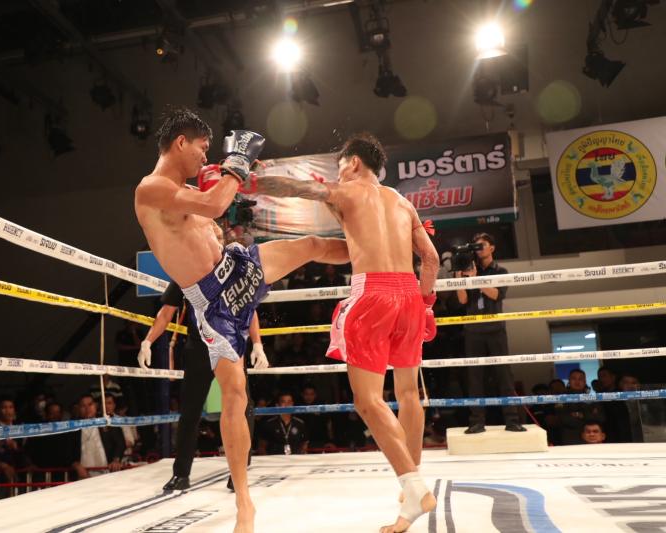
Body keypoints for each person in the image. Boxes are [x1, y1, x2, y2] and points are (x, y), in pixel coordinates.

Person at [133, 107, 349, 533]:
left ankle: (384, 256)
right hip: (213, 303)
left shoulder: (187, 191)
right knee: (234, 394)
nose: (204, 155)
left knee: (312, 245)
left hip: (235, 269)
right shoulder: (151, 188)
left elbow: (215, 215)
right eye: (202, 147)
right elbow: (214, 204)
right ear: (181, 142)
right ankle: (244, 503)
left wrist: (237, 178)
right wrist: (236, 163)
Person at [253, 132, 439, 532]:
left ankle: (414, 486)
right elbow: (431, 258)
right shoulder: (402, 202)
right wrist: (425, 303)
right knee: (408, 394)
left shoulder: (348, 191)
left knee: (367, 400)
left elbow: (297, 188)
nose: (338, 173)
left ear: (354, 163)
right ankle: (411, 486)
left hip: (373, 297)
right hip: (410, 297)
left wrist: (248, 182)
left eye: (340, 166)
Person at [138, 223, 268, 492]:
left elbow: (250, 309)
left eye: (216, 237)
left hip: (231, 346)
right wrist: (148, 341)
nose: (212, 241)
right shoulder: (186, 270)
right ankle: (181, 473)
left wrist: (258, 344)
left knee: (243, 406)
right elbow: (166, 312)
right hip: (199, 348)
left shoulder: (235, 271)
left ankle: (239, 470)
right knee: (190, 410)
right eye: (208, 236)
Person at [454, 233, 525, 434]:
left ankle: (512, 420)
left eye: (482, 245)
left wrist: (475, 279)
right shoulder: (468, 270)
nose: (478, 249)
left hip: (495, 329)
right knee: (475, 377)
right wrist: (459, 277)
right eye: (475, 246)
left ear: (492, 247)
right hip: (473, 330)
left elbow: (496, 294)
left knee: (504, 375)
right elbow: (462, 300)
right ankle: (476, 422)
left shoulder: (501, 271)